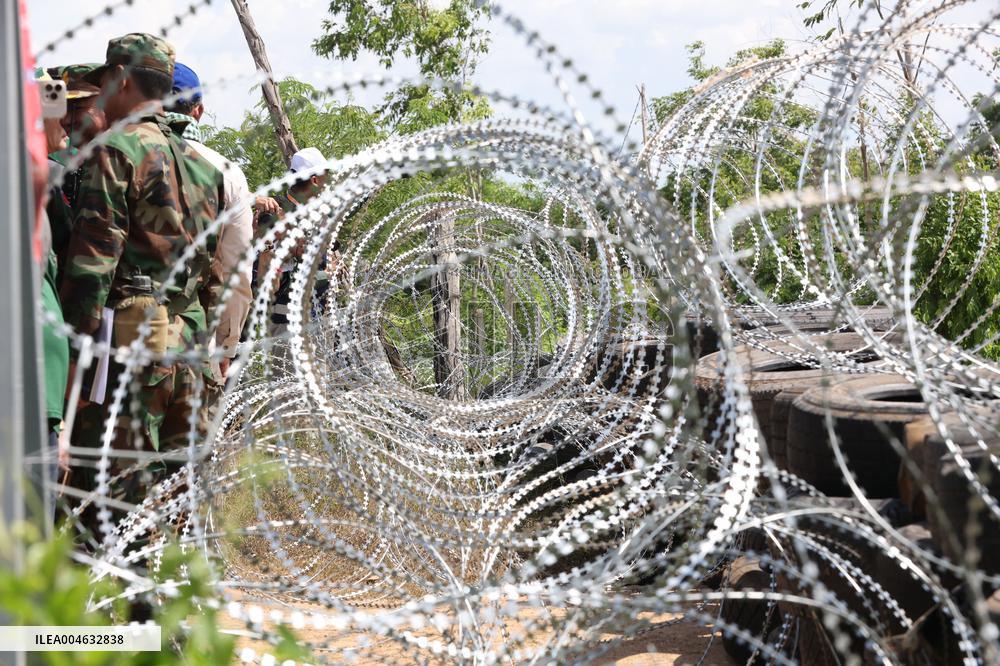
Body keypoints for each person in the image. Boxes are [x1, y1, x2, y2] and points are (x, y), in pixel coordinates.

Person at [60, 33, 224, 521]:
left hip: (133, 347)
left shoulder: (117, 150)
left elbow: (93, 266)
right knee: (176, 497)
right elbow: (211, 271)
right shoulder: (202, 167)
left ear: (121, 79)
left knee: (111, 497)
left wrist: (72, 363)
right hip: (189, 347)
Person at [164, 62, 275, 378]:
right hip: (196, 337)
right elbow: (235, 271)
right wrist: (227, 344)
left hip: (123, 334)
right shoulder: (226, 173)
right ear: (198, 111)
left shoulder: (120, 154)